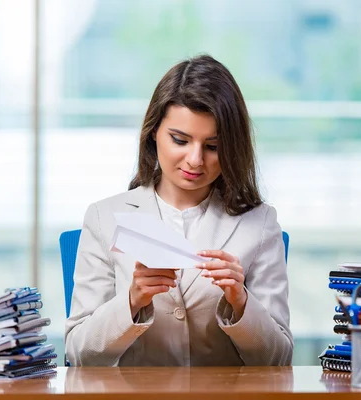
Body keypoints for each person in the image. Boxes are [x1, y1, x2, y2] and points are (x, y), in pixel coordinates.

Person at [65, 54, 292, 367]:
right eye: (180, 140)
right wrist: (132, 301)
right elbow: (77, 353)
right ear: (154, 132)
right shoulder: (105, 218)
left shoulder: (260, 223)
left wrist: (241, 304)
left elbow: (279, 358)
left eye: (212, 146)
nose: (195, 160)